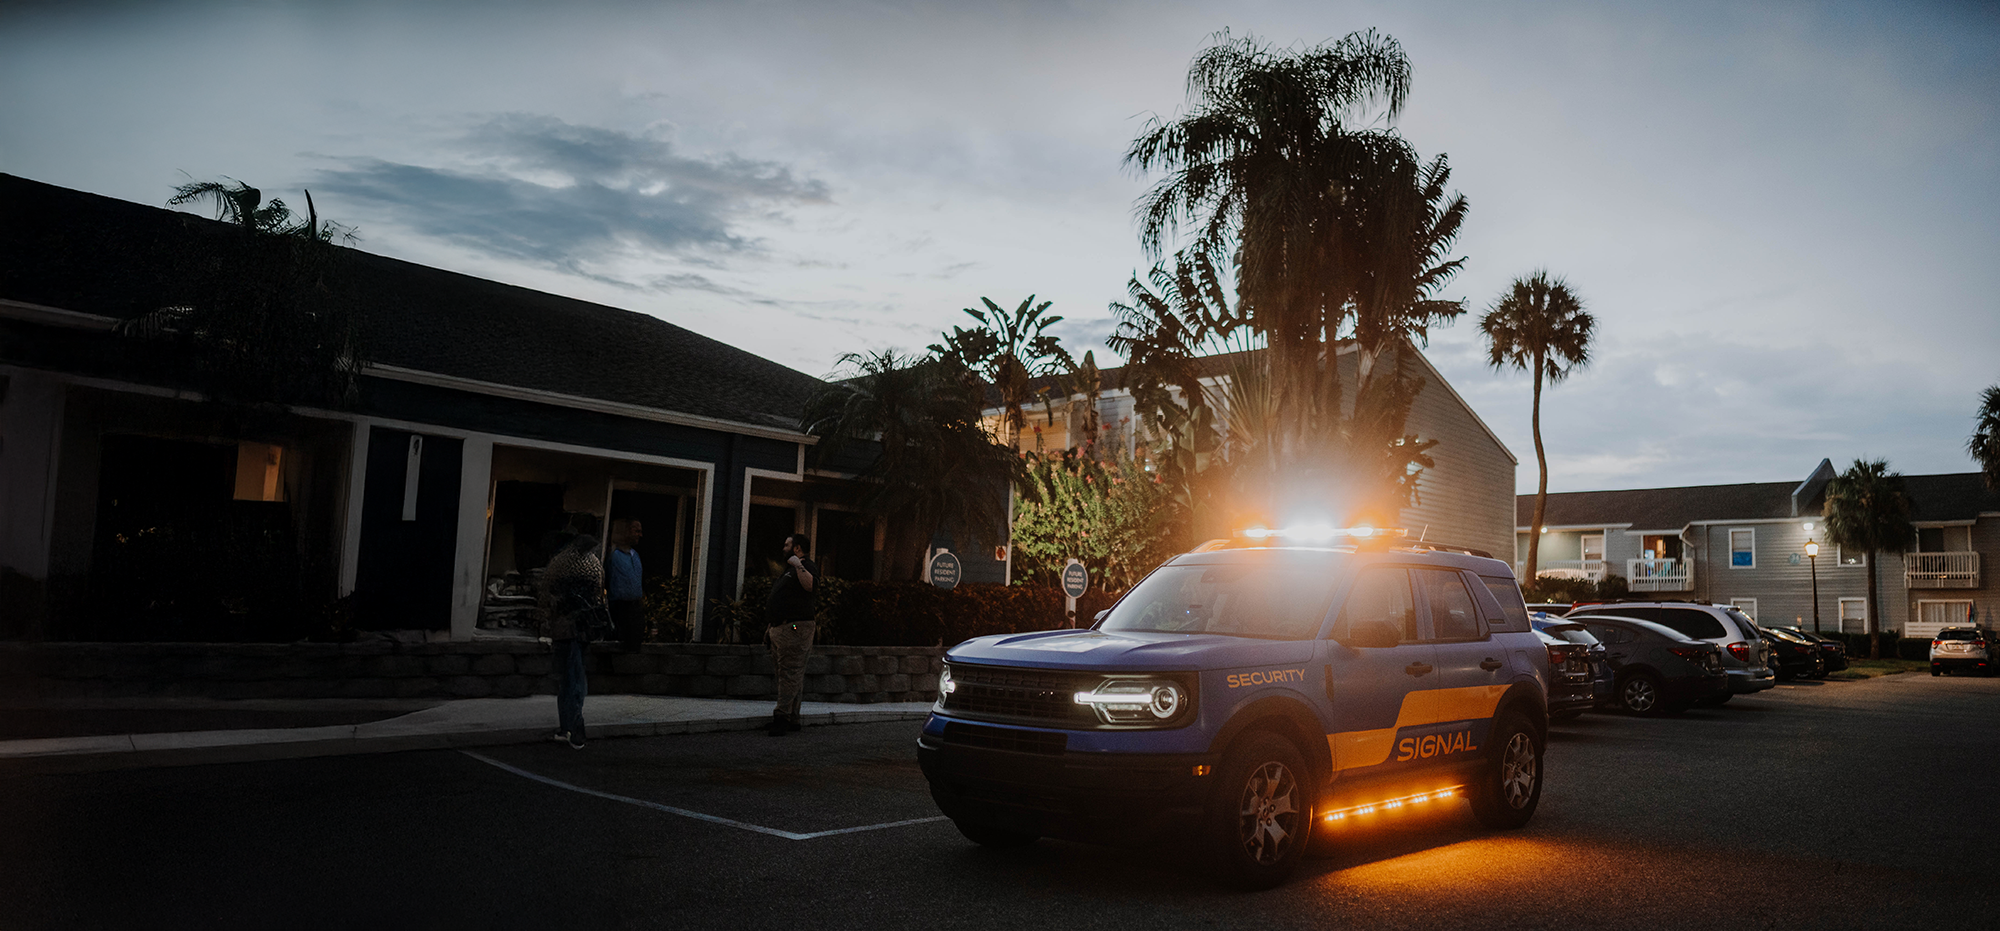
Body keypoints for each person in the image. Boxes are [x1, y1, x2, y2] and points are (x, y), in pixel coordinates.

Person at [541, 534, 605, 750]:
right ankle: (576, 727)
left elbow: (547, 594)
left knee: (568, 679)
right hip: (581, 629)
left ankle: (565, 726)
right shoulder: (591, 565)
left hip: (563, 629)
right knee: (576, 679)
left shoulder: (559, 563)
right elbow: (598, 595)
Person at [764, 533, 818, 737]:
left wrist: (798, 565)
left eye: (787, 544)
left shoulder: (806, 566)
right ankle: (793, 717)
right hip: (780, 628)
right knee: (788, 674)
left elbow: (810, 585)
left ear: (797, 548)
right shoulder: (788, 570)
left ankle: (781, 717)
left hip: (795, 628)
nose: (783, 547)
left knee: (790, 672)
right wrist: (770, 627)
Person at [607, 518, 646, 652]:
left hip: (634, 606)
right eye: (636, 531)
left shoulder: (635, 556)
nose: (639, 535)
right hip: (619, 606)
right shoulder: (614, 555)